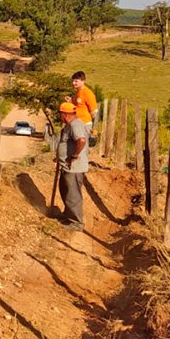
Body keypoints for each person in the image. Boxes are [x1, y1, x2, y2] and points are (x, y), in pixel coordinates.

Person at [57, 102, 88, 231]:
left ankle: (76, 223)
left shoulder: (75, 125)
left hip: (74, 167)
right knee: (65, 190)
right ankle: (68, 215)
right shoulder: (70, 125)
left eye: (60, 114)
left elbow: (81, 140)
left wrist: (74, 156)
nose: (59, 117)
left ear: (65, 114)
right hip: (67, 166)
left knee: (72, 194)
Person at [70, 71, 98, 136]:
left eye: (76, 81)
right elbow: (77, 106)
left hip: (84, 125)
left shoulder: (88, 93)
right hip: (76, 124)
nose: (73, 83)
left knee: (83, 144)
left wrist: (85, 119)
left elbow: (94, 111)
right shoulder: (78, 92)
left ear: (83, 81)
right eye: (73, 81)